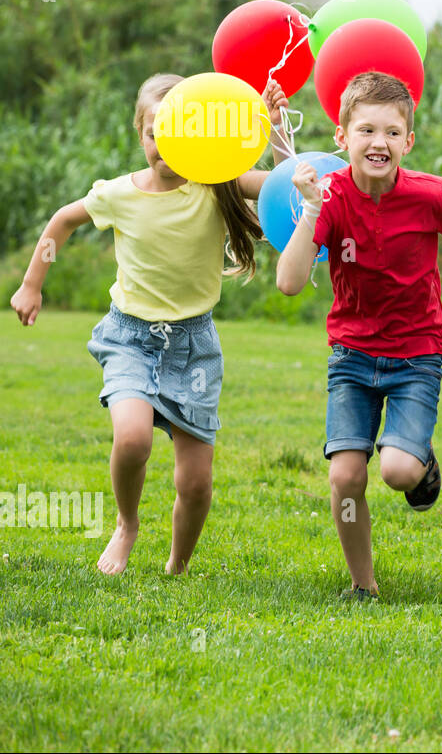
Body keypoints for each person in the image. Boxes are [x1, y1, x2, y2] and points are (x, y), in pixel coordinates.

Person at [9, 73, 288, 575]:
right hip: (131, 337)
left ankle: (177, 565)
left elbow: (286, 188)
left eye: (177, 131)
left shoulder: (216, 182)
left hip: (194, 346)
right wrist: (32, 284)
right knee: (133, 438)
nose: (163, 143)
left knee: (197, 483)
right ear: (140, 133)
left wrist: (274, 129)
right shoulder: (119, 193)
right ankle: (127, 524)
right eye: (154, 132)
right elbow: (63, 221)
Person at [275, 71, 442, 600]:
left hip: (416, 355)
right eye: (366, 131)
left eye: (392, 133)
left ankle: (419, 461)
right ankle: (362, 587)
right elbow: (289, 282)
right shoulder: (332, 196)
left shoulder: (429, 195)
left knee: (395, 470)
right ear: (341, 137)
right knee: (346, 477)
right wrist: (314, 207)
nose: (379, 143)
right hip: (351, 356)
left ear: (408, 142)